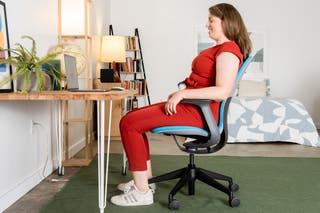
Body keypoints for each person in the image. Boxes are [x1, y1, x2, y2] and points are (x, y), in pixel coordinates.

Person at [111, 3, 252, 206]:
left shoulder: (228, 51)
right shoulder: (220, 49)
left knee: (129, 123)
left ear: (226, 21)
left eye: (211, 20)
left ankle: (142, 193)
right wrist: (183, 91)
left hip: (199, 114)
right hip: (191, 107)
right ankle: (145, 183)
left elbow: (222, 91)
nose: (207, 24)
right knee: (133, 120)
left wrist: (184, 94)